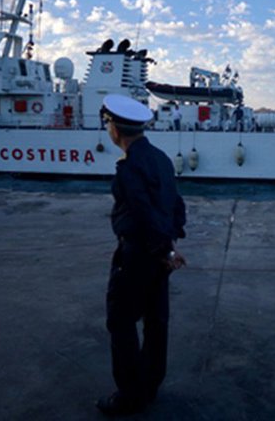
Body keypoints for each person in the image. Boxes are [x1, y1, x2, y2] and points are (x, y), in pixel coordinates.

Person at [97, 94, 187, 416]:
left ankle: (129, 395)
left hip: (136, 253)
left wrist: (162, 247)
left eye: (107, 123)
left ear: (115, 129)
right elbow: (176, 205)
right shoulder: (162, 159)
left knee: (120, 321)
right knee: (155, 320)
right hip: (158, 254)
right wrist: (169, 248)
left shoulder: (129, 167)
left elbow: (142, 210)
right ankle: (150, 384)